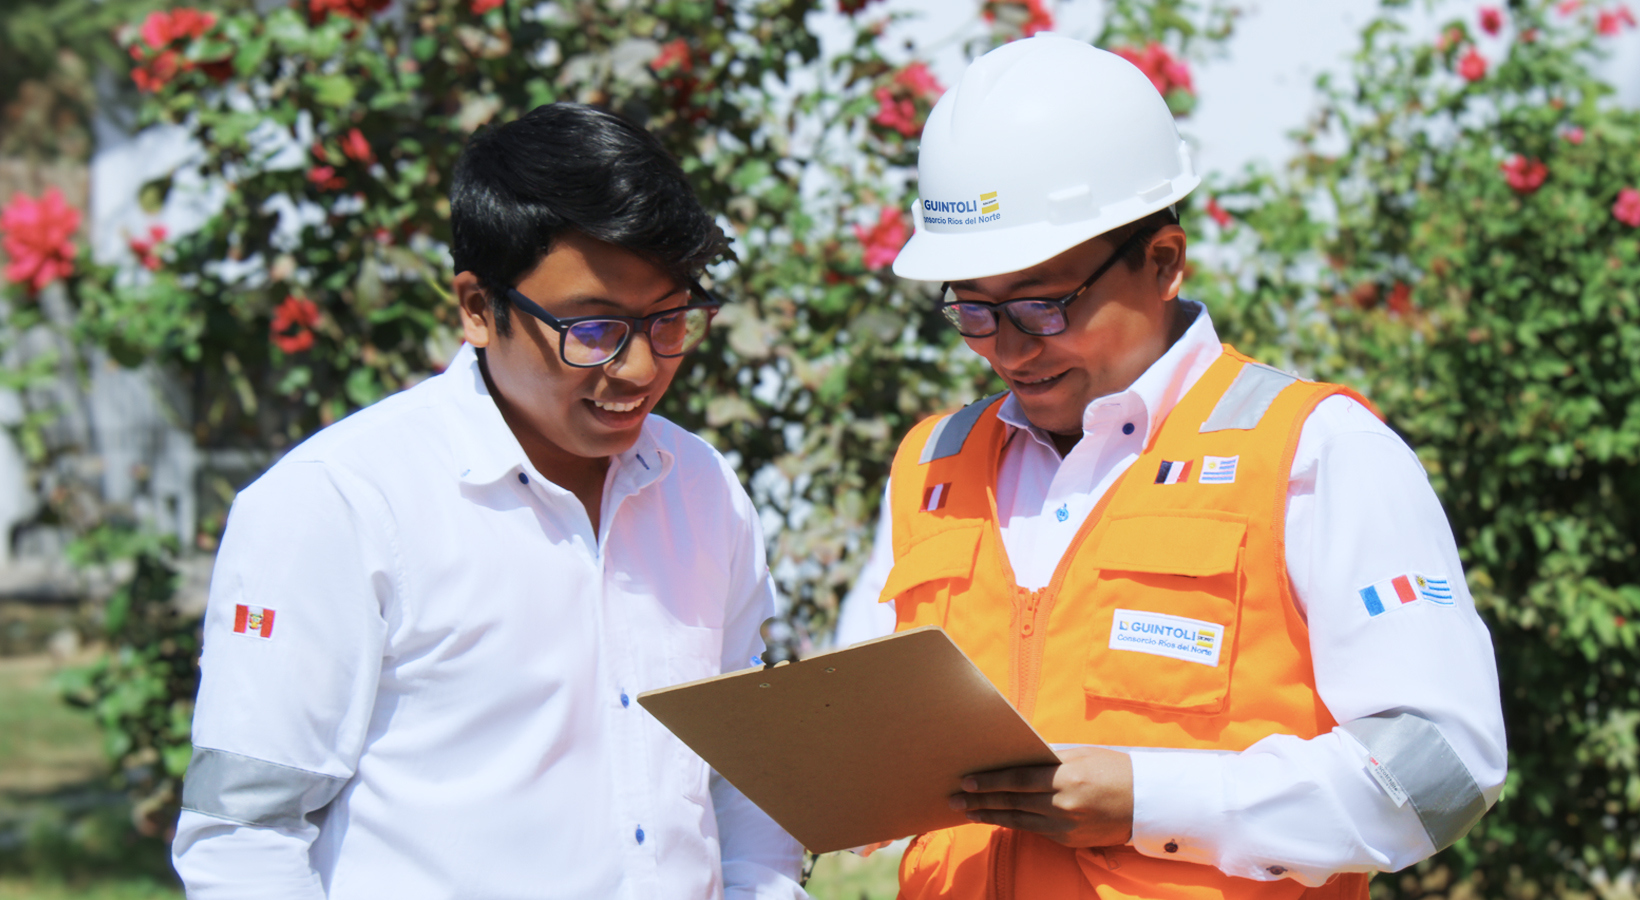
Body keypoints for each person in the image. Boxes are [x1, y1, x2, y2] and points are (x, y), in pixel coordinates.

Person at [838, 34, 1507, 899]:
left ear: (1162, 262)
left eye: (1042, 306)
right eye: (973, 310)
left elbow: (1443, 767)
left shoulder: (1315, 452)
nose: (1007, 348)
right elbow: (860, 728)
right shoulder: (933, 466)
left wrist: (1151, 800)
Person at [171, 103, 806, 900]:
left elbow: (744, 770)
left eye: (670, 320)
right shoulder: (341, 503)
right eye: (594, 330)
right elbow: (243, 836)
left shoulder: (702, 487)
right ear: (477, 308)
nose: (641, 369)